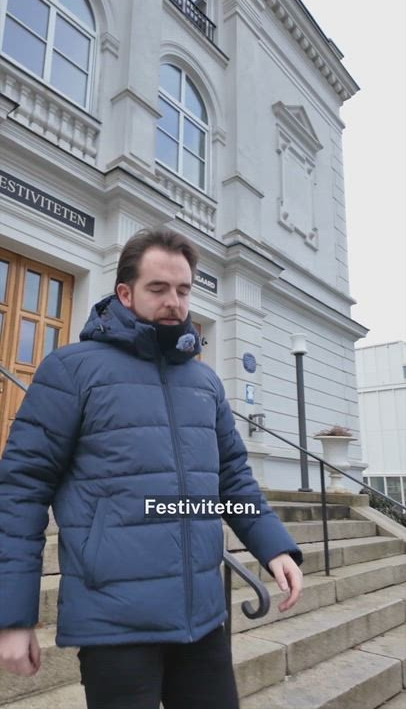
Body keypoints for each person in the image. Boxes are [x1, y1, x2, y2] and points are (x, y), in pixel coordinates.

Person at [0, 228, 303, 708]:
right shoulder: (71, 370)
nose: (174, 302)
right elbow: (21, 489)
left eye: (183, 290)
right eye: (158, 288)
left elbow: (232, 476)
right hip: (114, 621)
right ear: (125, 293)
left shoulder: (205, 382)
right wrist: (13, 615)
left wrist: (274, 546)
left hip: (202, 617)